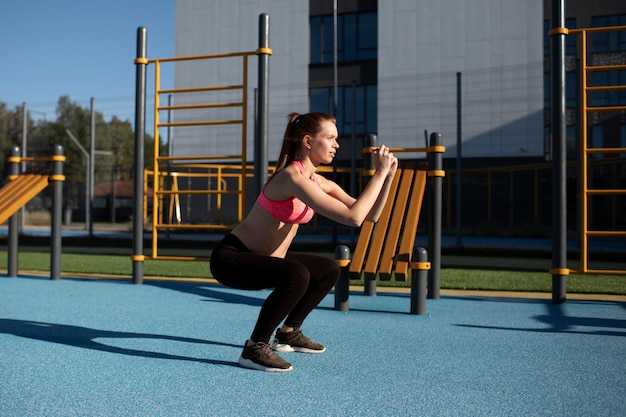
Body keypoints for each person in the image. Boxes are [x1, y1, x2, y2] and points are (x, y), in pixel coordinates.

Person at [209, 112, 398, 372]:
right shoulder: (291, 178)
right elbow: (354, 218)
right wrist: (379, 173)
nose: (337, 144)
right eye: (330, 138)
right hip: (232, 259)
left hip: (269, 260)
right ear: (308, 142)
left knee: (328, 269)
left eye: (336, 139)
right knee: (297, 274)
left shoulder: (319, 182)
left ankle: (288, 332)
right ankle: (255, 347)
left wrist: (386, 176)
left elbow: (369, 215)